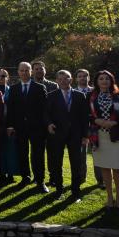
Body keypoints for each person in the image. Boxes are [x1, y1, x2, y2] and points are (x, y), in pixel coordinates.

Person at [45, 70, 90, 200]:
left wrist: (85, 135)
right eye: (60, 79)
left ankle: (76, 192)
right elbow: (46, 114)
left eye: (66, 78)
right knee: (56, 163)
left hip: (75, 135)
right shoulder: (51, 95)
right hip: (57, 134)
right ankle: (59, 189)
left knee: (76, 163)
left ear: (71, 80)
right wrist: (49, 124)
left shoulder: (80, 96)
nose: (63, 81)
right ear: (57, 81)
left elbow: (84, 117)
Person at [6, 62, 49, 191]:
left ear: (31, 72)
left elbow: (45, 110)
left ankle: (40, 181)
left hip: (37, 128)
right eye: (22, 70)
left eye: (27, 70)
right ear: (18, 72)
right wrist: (10, 125)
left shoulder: (40, 87)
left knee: (38, 155)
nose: (24, 73)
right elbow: (11, 110)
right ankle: (26, 177)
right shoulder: (13, 89)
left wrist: (45, 126)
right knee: (22, 153)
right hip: (20, 128)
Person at [88, 71, 119, 210]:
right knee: (105, 167)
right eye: (101, 79)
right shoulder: (90, 96)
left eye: (107, 79)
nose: (104, 81)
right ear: (97, 81)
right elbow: (86, 115)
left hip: (117, 136)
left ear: (111, 81)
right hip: (99, 136)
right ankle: (109, 199)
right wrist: (96, 120)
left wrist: (115, 123)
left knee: (117, 168)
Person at [75, 68, 101, 188]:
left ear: (89, 78)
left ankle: (101, 179)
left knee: (97, 153)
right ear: (76, 79)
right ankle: (81, 177)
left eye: (85, 76)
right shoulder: (73, 92)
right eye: (80, 76)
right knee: (81, 155)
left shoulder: (96, 91)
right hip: (79, 128)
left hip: (95, 127)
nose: (82, 78)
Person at [0, 69, 19, 183]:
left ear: (7, 78)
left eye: (3, 76)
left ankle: (10, 174)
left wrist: (12, 125)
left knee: (10, 150)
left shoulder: (13, 90)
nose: (1, 78)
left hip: (9, 125)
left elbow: (15, 110)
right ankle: (1, 173)